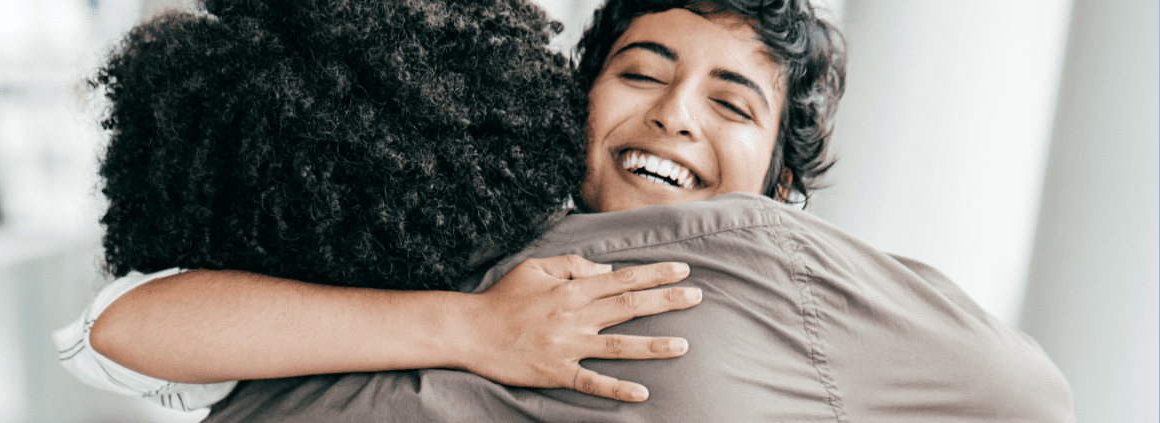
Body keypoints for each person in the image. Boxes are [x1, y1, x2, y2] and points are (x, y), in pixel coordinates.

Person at [61, 0, 1077, 421]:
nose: (675, 117)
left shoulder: (785, 272)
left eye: (732, 103)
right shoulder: (424, 219)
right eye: (642, 73)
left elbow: (1029, 399)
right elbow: (119, 332)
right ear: (570, 100)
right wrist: (471, 328)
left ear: (778, 176)